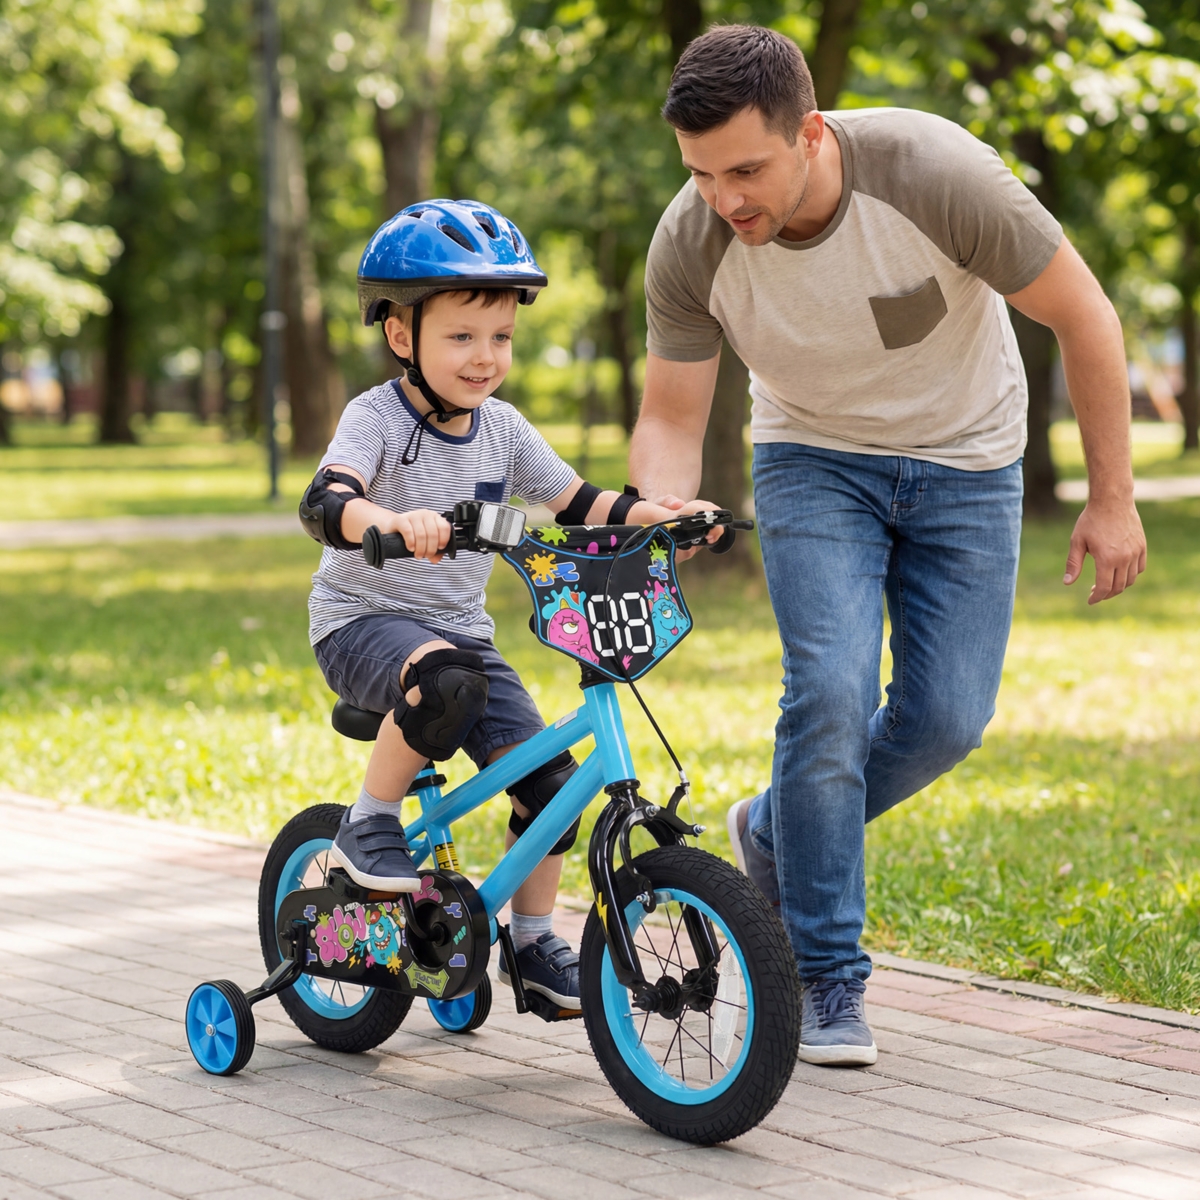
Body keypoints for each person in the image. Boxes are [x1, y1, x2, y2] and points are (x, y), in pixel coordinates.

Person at [629, 26, 1146, 1064]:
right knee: (826, 691)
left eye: (746, 169)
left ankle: (774, 832)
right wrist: (659, 509)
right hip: (813, 458)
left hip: (970, 458)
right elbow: (675, 417)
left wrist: (1113, 499)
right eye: (700, 174)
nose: (725, 198)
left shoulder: (938, 175)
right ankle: (826, 978)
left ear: (810, 133)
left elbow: (1086, 318)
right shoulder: (692, 240)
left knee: (948, 718)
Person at [300, 199, 712, 1011]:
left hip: (459, 635)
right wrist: (383, 521)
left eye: (501, 338)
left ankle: (530, 944)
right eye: (461, 337)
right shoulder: (373, 418)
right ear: (401, 336)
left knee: (554, 784)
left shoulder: (504, 428)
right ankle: (369, 819)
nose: (485, 357)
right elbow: (326, 499)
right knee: (446, 678)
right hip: (360, 624)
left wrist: (661, 518)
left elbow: (580, 500)